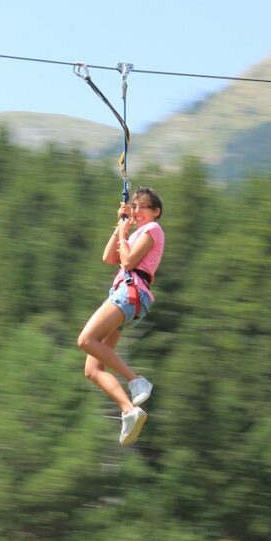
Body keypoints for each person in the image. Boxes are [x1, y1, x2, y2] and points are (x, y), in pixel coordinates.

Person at [77, 186, 165, 446]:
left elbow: (127, 262)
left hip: (130, 294)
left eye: (142, 207)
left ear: (155, 212)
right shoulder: (136, 232)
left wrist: (125, 235)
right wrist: (120, 227)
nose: (136, 212)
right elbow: (108, 257)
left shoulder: (152, 231)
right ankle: (129, 409)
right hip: (127, 299)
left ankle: (136, 380)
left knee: (85, 340)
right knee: (92, 369)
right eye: (133, 207)